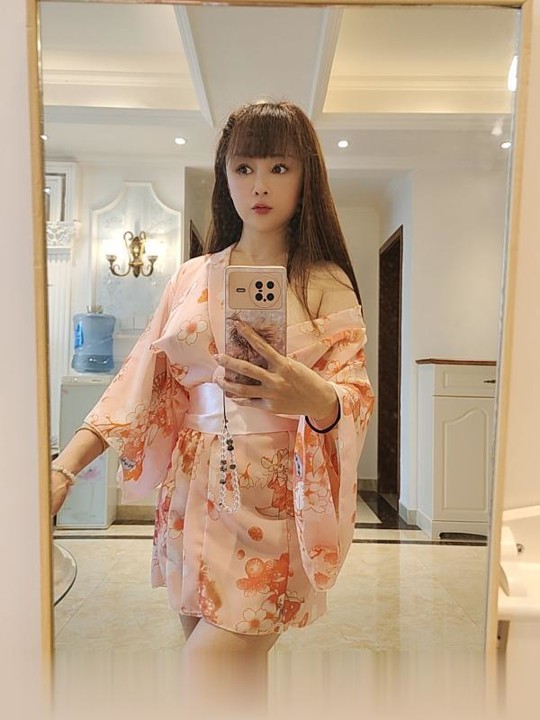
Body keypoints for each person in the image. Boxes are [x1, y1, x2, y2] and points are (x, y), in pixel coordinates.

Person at [51, 101, 375, 711]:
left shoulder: (325, 283)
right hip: (194, 490)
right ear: (225, 176)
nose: (259, 185)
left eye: (279, 167)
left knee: (207, 672)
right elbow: (137, 379)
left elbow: (354, 396)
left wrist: (313, 397)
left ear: (306, 176)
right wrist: (64, 468)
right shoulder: (191, 277)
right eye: (244, 167)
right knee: (231, 687)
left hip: (274, 494)